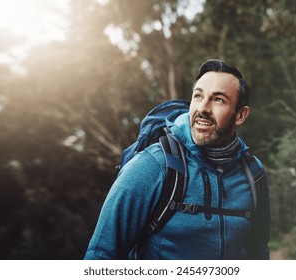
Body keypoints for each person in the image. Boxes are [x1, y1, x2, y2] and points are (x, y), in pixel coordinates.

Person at [84, 59, 270, 260]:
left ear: (240, 115)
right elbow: (101, 256)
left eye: (218, 100)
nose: (203, 108)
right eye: (198, 96)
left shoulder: (254, 174)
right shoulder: (152, 166)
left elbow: (258, 254)